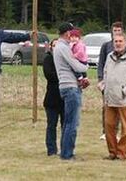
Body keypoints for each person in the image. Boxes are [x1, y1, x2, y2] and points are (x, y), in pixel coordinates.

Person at [99, 33, 126, 160]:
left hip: (124, 101)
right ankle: (112, 152)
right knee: (109, 127)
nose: (117, 43)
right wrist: (103, 85)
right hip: (110, 99)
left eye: (120, 41)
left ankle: (122, 153)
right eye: (115, 41)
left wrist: (125, 91)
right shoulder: (109, 56)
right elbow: (106, 74)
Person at [53, 22, 88, 160]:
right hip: (70, 87)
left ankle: (65, 151)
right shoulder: (62, 47)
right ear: (67, 33)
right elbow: (76, 66)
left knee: (68, 122)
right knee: (72, 123)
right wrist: (86, 66)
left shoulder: (62, 46)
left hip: (69, 85)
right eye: (71, 33)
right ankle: (67, 154)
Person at [97, 21, 126, 140]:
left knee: (121, 109)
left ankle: (119, 132)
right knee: (106, 108)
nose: (116, 33)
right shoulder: (106, 46)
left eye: (118, 30)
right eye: (114, 30)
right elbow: (101, 63)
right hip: (107, 83)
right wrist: (100, 79)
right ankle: (106, 131)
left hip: (121, 85)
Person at [43, 38, 63, 156]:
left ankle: (65, 148)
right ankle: (51, 149)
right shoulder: (48, 59)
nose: (56, 48)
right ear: (50, 47)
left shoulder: (66, 59)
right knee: (51, 125)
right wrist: (64, 76)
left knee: (65, 124)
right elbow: (49, 75)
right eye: (54, 46)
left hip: (65, 98)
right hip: (51, 98)